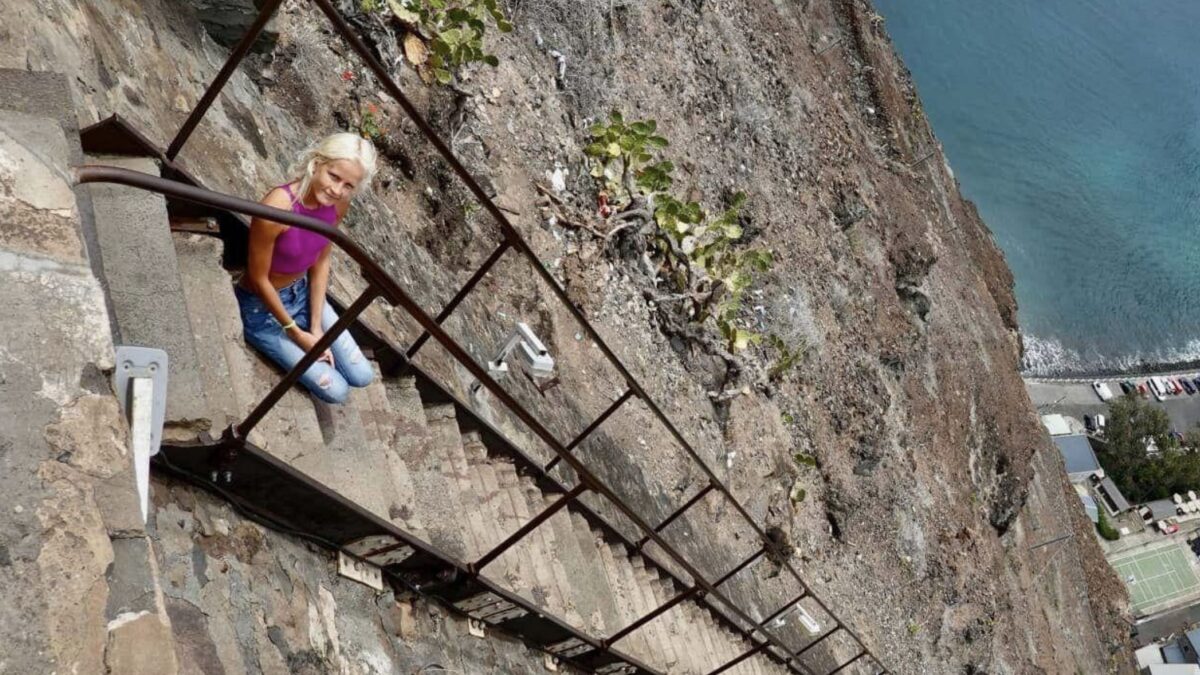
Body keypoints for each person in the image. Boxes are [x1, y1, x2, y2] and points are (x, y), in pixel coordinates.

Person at [234, 132, 377, 404]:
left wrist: (316, 326)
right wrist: (297, 334)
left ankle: (308, 336)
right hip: (263, 309)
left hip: (302, 293)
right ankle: (270, 339)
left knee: (362, 375)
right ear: (317, 163)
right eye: (334, 176)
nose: (337, 190)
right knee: (337, 391)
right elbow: (258, 278)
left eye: (348, 185)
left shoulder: (338, 205)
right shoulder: (278, 206)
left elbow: (321, 259)